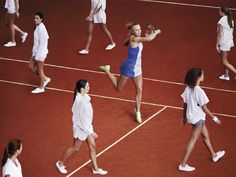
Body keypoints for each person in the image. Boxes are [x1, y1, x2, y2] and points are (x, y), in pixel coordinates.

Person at [98, 22, 160, 123]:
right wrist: (156, 32)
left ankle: (138, 112)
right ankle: (107, 70)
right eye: (136, 30)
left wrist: (140, 36)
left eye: (139, 29)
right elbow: (148, 39)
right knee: (118, 88)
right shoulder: (134, 38)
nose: (139, 31)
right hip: (129, 68)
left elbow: (125, 43)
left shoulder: (134, 38)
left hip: (138, 68)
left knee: (139, 90)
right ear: (132, 32)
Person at [56, 79, 108, 175]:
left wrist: (89, 129)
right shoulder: (80, 101)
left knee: (92, 145)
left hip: (87, 127)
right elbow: (81, 120)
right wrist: (91, 132)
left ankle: (95, 169)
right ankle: (60, 163)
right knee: (75, 148)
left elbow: (83, 117)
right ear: (81, 89)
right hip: (81, 129)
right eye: (87, 86)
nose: (89, 87)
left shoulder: (85, 97)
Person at [178, 68, 225, 172]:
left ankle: (214, 155)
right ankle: (183, 164)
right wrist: (215, 118)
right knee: (193, 140)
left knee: (205, 135)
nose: (204, 76)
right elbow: (204, 108)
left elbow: (185, 104)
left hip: (192, 117)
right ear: (198, 77)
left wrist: (184, 117)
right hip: (198, 118)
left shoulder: (188, 88)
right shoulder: (199, 91)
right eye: (203, 75)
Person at [29, 12, 51, 94]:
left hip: (40, 53)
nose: (35, 19)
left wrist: (37, 55)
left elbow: (43, 43)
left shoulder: (42, 29)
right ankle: (45, 79)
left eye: (37, 18)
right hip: (36, 52)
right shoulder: (37, 27)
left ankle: (41, 87)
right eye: (35, 18)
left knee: (40, 70)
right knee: (30, 66)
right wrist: (34, 52)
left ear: (41, 19)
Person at [216, 6, 236, 80]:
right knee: (224, 59)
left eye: (219, 11)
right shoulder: (231, 20)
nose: (219, 12)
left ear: (222, 12)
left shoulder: (222, 20)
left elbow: (219, 34)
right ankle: (226, 75)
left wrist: (217, 44)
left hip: (224, 42)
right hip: (229, 41)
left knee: (224, 61)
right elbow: (232, 32)